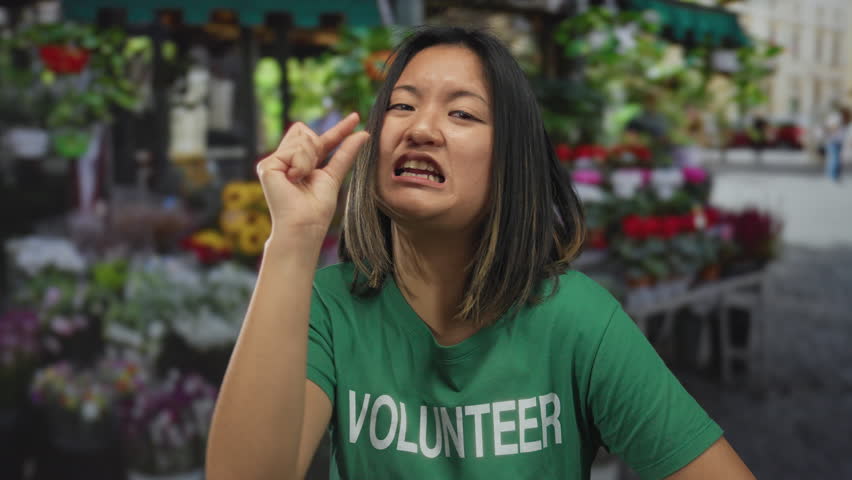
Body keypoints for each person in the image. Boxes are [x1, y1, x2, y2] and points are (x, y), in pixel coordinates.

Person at [207, 27, 755, 480]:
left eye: (462, 114)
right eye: (402, 105)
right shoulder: (330, 309)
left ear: (510, 163)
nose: (421, 128)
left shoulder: (578, 321)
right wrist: (294, 239)